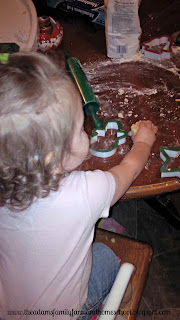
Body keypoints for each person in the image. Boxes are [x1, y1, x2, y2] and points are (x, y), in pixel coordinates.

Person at [0, 52, 157, 320]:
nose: (86, 131)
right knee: (105, 257)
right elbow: (128, 170)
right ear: (54, 156)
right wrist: (143, 142)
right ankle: (115, 301)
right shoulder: (85, 193)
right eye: (80, 128)